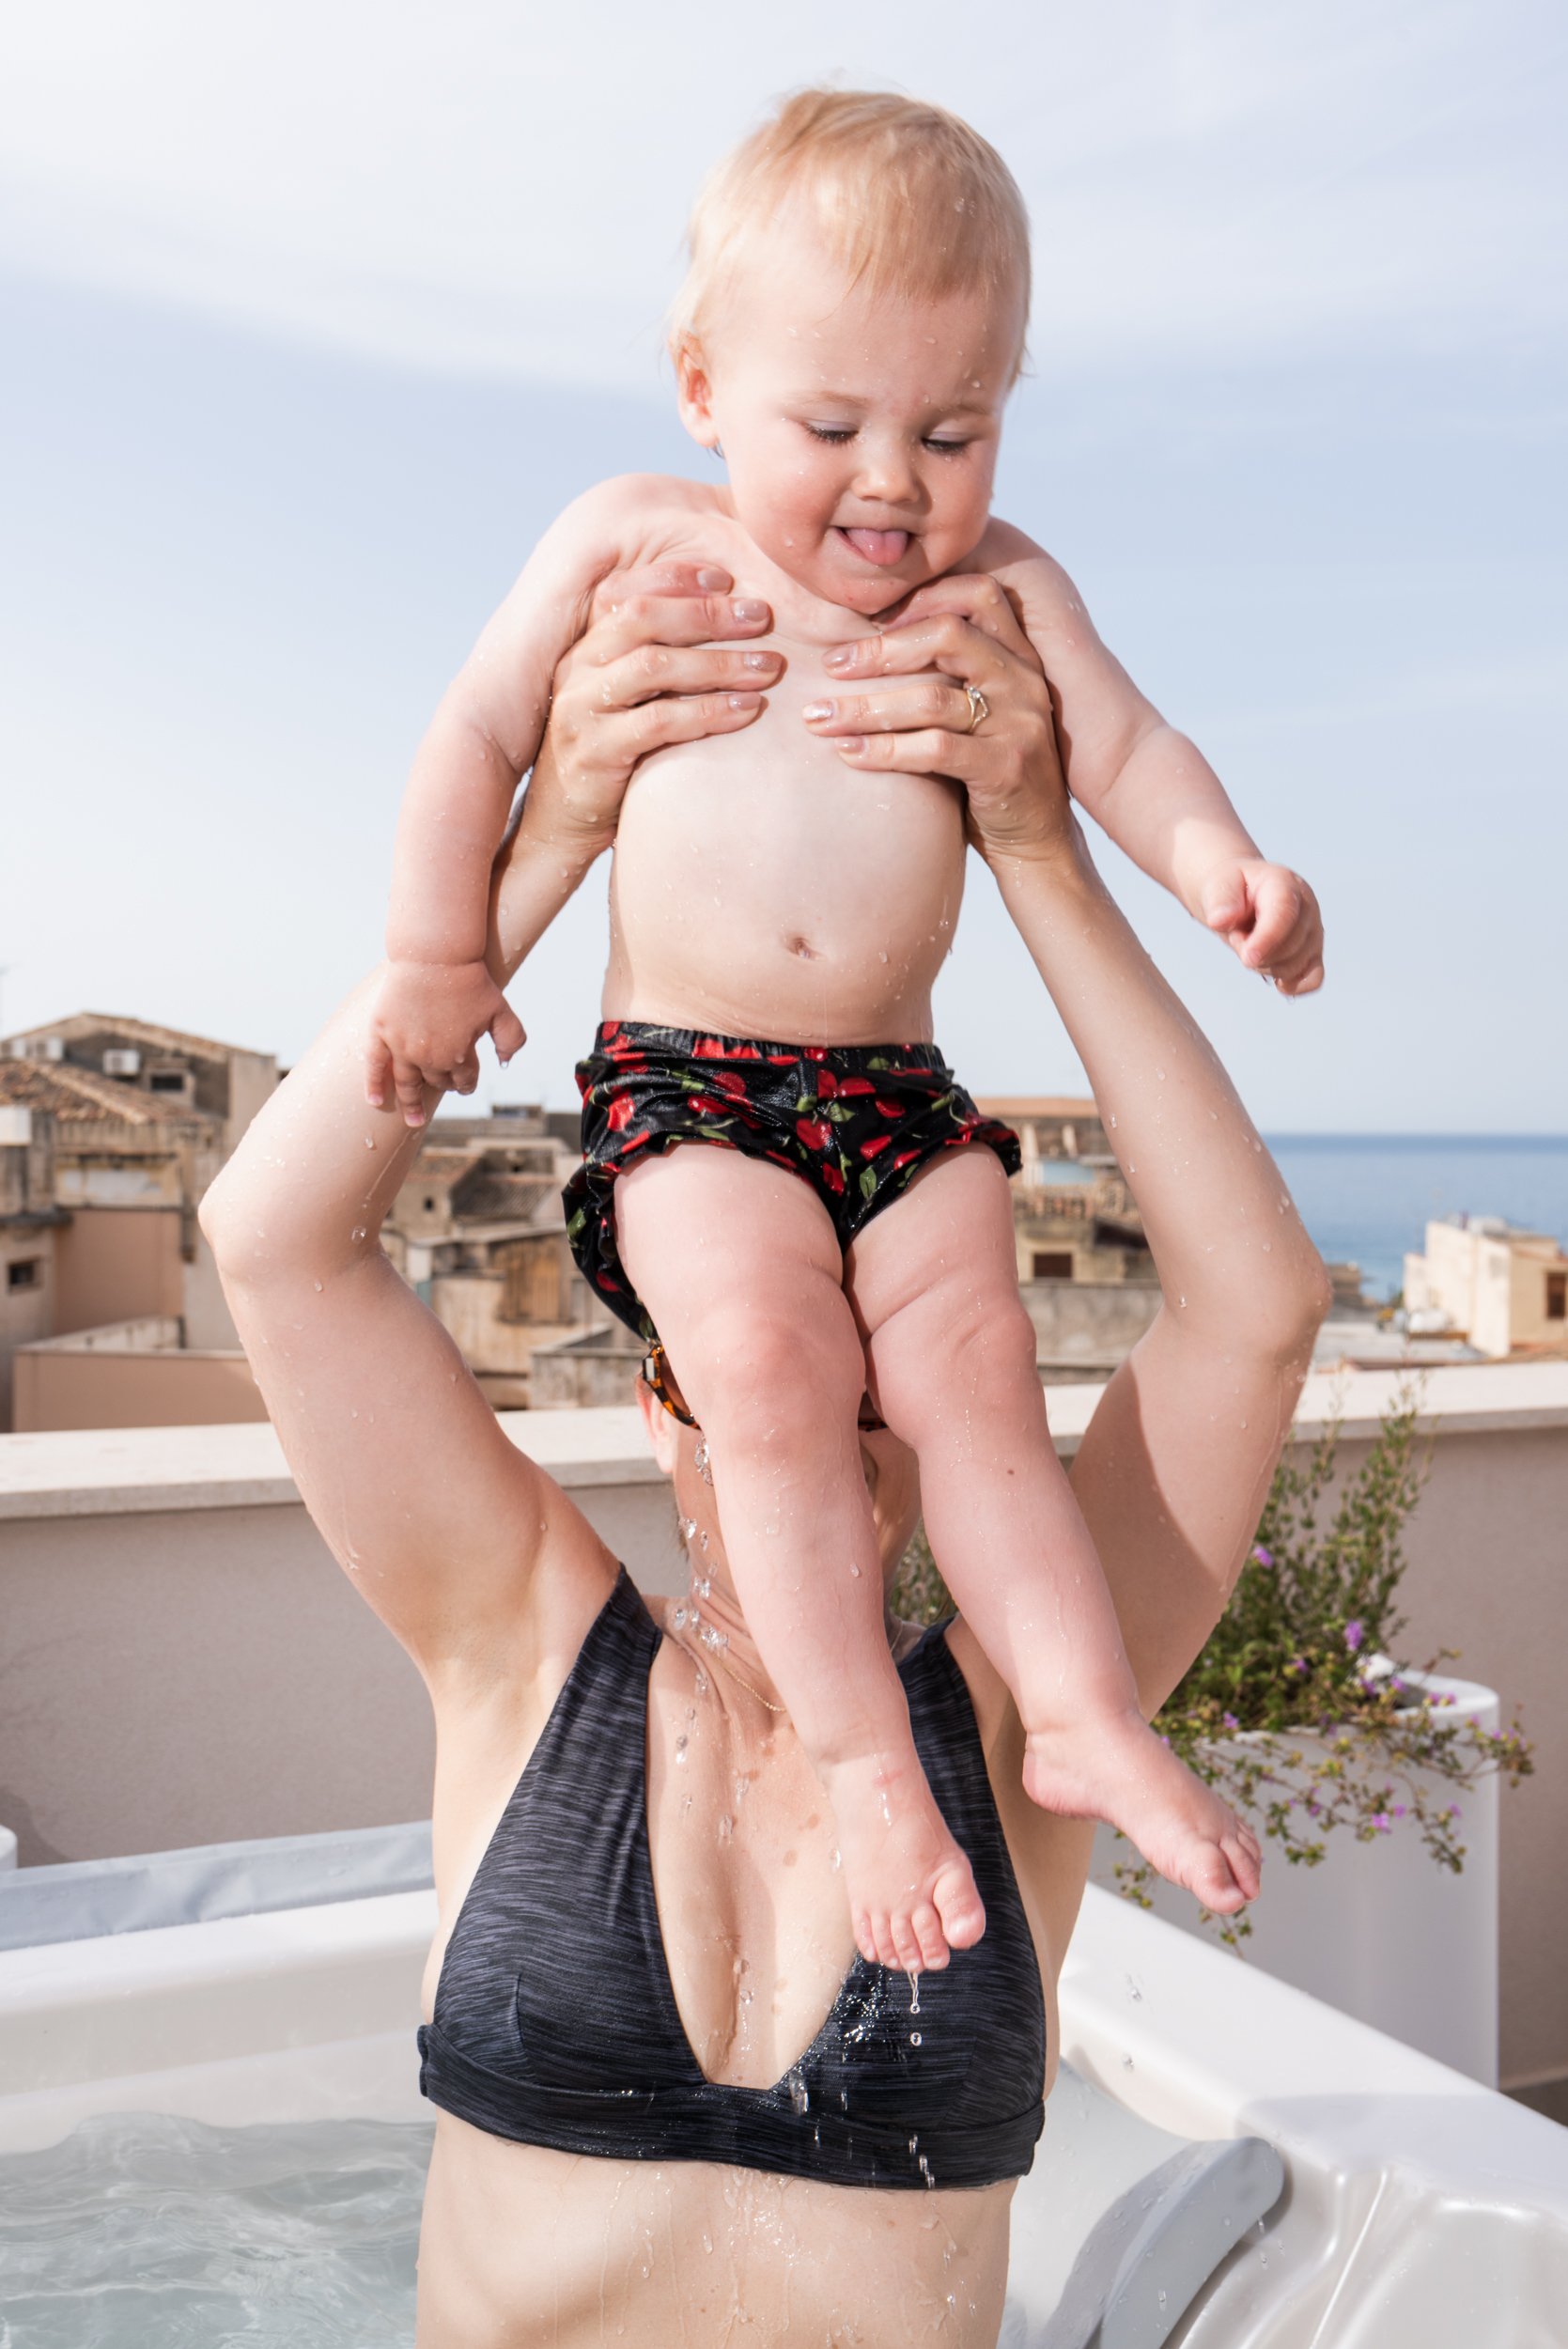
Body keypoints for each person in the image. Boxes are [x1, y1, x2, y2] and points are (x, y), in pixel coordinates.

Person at [201, 572, 1328, 2347]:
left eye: (889, 1371)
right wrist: (554, 832)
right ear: (668, 1402)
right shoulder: (525, 1653)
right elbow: (270, 1241)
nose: (861, 1418)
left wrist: (1034, 849)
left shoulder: (1027, 1724)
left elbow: (1252, 1310)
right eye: (798, 1374)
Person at [361, 90, 1322, 1969]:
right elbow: (470, 733)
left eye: (952, 430)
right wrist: (429, 951)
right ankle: (872, 1763)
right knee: (775, 1378)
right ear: (705, 385)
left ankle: (1081, 1709)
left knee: (978, 1377)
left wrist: (1223, 860)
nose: (894, 479)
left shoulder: (1002, 590)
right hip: (690, 1086)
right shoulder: (635, 541)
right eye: (833, 425)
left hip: (900, 1092)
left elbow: (1123, 748)